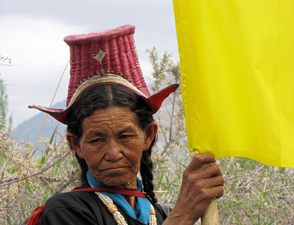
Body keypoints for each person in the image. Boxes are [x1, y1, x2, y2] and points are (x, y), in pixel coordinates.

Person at [29, 24, 224, 225]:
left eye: (125, 137)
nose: (113, 153)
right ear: (77, 144)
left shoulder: (161, 215)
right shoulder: (64, 213)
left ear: (148, 135)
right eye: (96, 140)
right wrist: (183, 216)